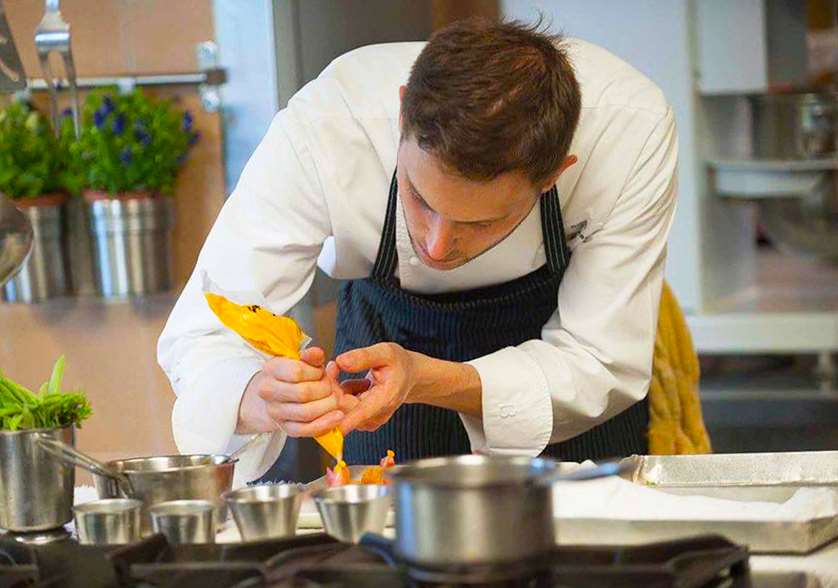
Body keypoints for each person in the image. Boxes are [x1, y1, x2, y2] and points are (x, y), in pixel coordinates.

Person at [158, 18, 678, 482]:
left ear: (554, 176)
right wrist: (259, 396)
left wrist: (430, 378)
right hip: (381, 354)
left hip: (563, 404)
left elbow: (598, 359)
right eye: (420, 198)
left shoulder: (629, 132)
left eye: (482, 222)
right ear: (403, 110)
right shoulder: (328, 124)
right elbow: (207, 329)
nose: (437, 245)